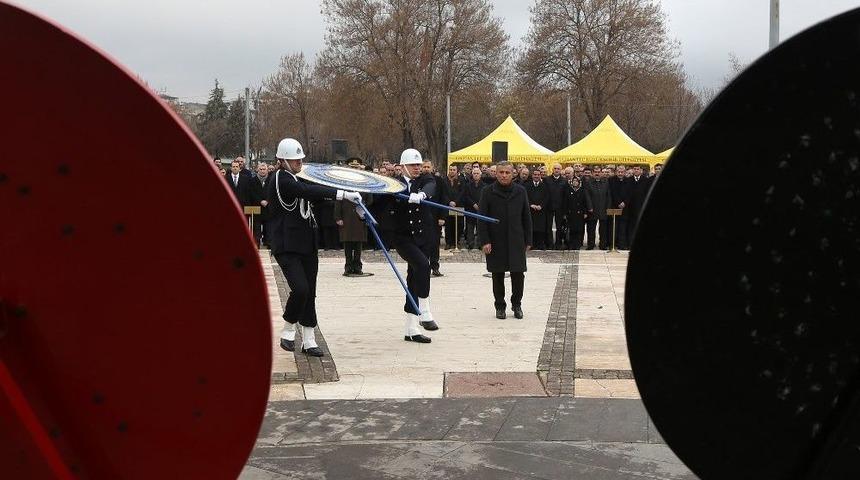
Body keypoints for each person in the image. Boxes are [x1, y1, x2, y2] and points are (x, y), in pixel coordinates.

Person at [267, 138, 362, 357]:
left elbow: (316, 197)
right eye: (294, 159)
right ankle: (289, 328)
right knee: (300, 289)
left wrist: (351, 202)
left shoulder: (297, 177)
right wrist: (342, 193)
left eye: (300, 159)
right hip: (287, 244)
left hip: (307, 243)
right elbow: (305, 191)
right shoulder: (281, 178)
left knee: (311, 293)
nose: (299, 162)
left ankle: (309, 340)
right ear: (282, 160)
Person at [375, 148, 438, 343]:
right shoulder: (394, 184)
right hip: (403, 238)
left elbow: (430, 187)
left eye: (419, 164)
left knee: (413, 279)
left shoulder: (425, 180)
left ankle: (411, 329)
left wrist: (421, 196)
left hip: (424, 237)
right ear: (403, 167)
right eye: (413, 165)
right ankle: (425, 311)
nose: (417, 168)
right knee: (423, 266)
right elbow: (380, 203)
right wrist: (362, 211)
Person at [478, 161, 532, 320]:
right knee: (497, 274)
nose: (504, 175)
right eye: (501, 172)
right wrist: (485, 241)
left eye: (507, 172)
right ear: (496, 173)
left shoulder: (521, 191)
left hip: (516, 239)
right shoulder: (487, 191)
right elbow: (482, 219)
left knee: (518, 274)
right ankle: (500, 306)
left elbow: (526, 216)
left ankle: (517, 305)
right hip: (496, 240)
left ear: (513, 173)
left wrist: (528, 239)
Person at [334, 159, 371, 276]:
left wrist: (363, 205)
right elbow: (338, 200)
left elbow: (370, 199)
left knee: (358, 244)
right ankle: (348, 266)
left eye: (357, 167)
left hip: (359, 216)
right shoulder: (343, 182)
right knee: (348, 244)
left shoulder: (364, 181)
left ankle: (358, 266)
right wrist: (337, 217)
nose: (355, 169)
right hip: (347, 216)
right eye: (352, 167)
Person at [422, 160, 445, 276]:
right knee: (422, 243)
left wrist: (442, 216)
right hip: (421, 217)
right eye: (424, 166)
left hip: (435, 217)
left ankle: (435, 266)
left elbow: (443, 199)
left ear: (432, 168)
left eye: (428, 167)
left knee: (435, 243)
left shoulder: (439, 181)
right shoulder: (418, 180)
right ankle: (423, 266)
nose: (426, 169)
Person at [584, 167, 612, 250]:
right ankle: (591, 244)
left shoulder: (606, 182)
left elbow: (608, 195)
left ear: (601, 173)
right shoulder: (588, 182)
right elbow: (587, 196)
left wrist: (608, 207)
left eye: (598, 172)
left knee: (603, 229)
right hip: (592, 209)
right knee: (591, 228)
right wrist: (590, 207)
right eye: (595, 172)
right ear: (592, 173)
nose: (597, 173)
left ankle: (602, 245)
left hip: (603, 209)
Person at [460, 166, 485, 249]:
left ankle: (480, 243)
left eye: (478, 173)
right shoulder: (467, 185)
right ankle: (470, 243)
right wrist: (473, 204)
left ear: (480, 175)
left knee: (480, 228)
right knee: (470, 227)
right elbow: (466, 196)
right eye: (474, 173)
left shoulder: (485, 186)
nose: (476, 175)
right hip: (470, 209)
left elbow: (485, 197)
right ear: (472, 174)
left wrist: (480, 204)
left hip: (481, 209)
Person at [248, 162, 271, 248]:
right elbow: (251, 193)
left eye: (264, 169)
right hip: (257, 207)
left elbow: (273, 192)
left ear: (267, 170)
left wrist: (267, 201)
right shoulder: (252, 181)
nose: (262, 171)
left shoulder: (271, 180)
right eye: (260, 169)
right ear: (258, 169)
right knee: (256, 227)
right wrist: (260, 201)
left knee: (268, 227)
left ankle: (268, 243)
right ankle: (256, 243)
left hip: (268, 207)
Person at [442, 164, 464, 249]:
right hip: (447, 206)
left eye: (454, 170)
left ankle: (456, 242)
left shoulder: (461, 180)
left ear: (457, 171)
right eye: (450, 169)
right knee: (448, 225)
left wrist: (455, 202)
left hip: (458, 206)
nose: (452, 171)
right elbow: (443, 193)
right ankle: (448, 242)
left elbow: (462, 192)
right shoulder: (444, 180)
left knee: (458, 225)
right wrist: (449, 202)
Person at [525, 168, 548, 250]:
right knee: (531, 227)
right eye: (535, 174)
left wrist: (541, 206)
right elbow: (525, 197)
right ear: (532, 175)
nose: (536, 176)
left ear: (540, 175)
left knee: (540, 228)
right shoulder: (527, 186)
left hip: (541, 210)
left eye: (538, 175)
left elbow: (546, 198)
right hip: (530, 210)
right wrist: (531, 205)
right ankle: (531, 244)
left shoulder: (544, 186)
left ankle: (540, 244)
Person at [562, 176, 588, 249]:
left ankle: (578, 244)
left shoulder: (582, 191)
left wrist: (585, 212)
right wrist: (564, 213)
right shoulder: (568, 190)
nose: (575, 182)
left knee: (579, 230)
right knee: (571, 229)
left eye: (577, 181)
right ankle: (570, 244)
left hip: (580, 213)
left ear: (579, 182)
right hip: (570, 213)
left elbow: (585, 203)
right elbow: (565, 203)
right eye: (574, 181)